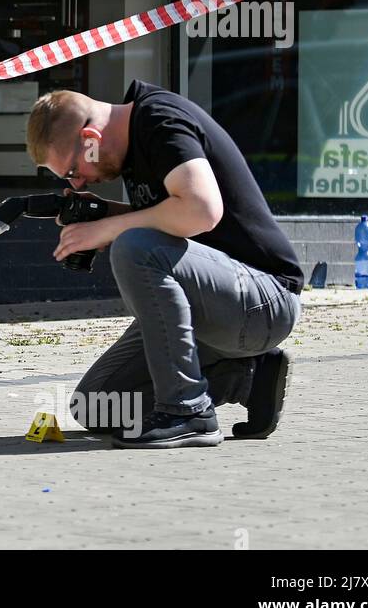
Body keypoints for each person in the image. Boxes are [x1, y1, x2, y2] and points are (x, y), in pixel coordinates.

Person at [24, 81, 303, 449]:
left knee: (134, 246)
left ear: (90, 137)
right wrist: (106, 213)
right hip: (215, 311)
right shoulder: (131, 145)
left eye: (73, 170)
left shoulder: (159, 121)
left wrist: (110, 228)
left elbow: (202, 210)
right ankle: (248, 376)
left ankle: (187, 412)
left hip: (264, 302)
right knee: (97, 405)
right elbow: (168, 222)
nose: (77, 182)